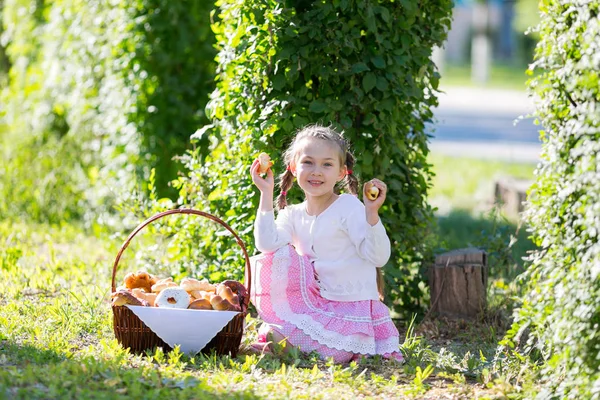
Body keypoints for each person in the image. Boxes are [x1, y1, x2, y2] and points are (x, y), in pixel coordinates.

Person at [248, 124, 404, 363]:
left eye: (327, 164)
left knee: (336, 352)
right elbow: (266, 244)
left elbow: (378, 257)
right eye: (308, 162)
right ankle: (288, 343)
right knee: (276, 258)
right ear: (293, 167)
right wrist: (265, 193)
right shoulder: (292, 214)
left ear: (342, 172)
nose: (316, 171)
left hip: (349, 309)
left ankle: (308, 347)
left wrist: (372, 214)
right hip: (314, 307)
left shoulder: (349, 207)